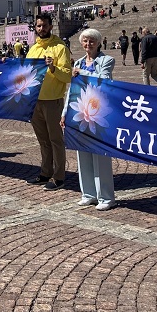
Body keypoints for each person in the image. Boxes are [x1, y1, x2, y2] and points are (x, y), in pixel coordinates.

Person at [62, 28, 116, 211]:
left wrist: (81, 74)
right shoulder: (78, 62)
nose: (88, 44)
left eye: (92, 41)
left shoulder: (106, 60)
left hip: (99, 113)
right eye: (85, 41)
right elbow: (72, 91)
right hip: (80, 113)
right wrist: (64, 113)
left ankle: (106, 197)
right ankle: (88, 194)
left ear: (99, 43)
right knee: (82, 154)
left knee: (100, 156)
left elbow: (104, 79)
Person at [25, 13, 72, 191]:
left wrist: (53, 68)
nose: (41, 29)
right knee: (43, 140)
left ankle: (59, 176)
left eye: (44, 25)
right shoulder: (33, 48)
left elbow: (67, 76)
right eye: (38, 26)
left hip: (52, 100)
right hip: (35, 101)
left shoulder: (60, 47)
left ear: (51, 26)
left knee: (55, 140)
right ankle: (45, 172)